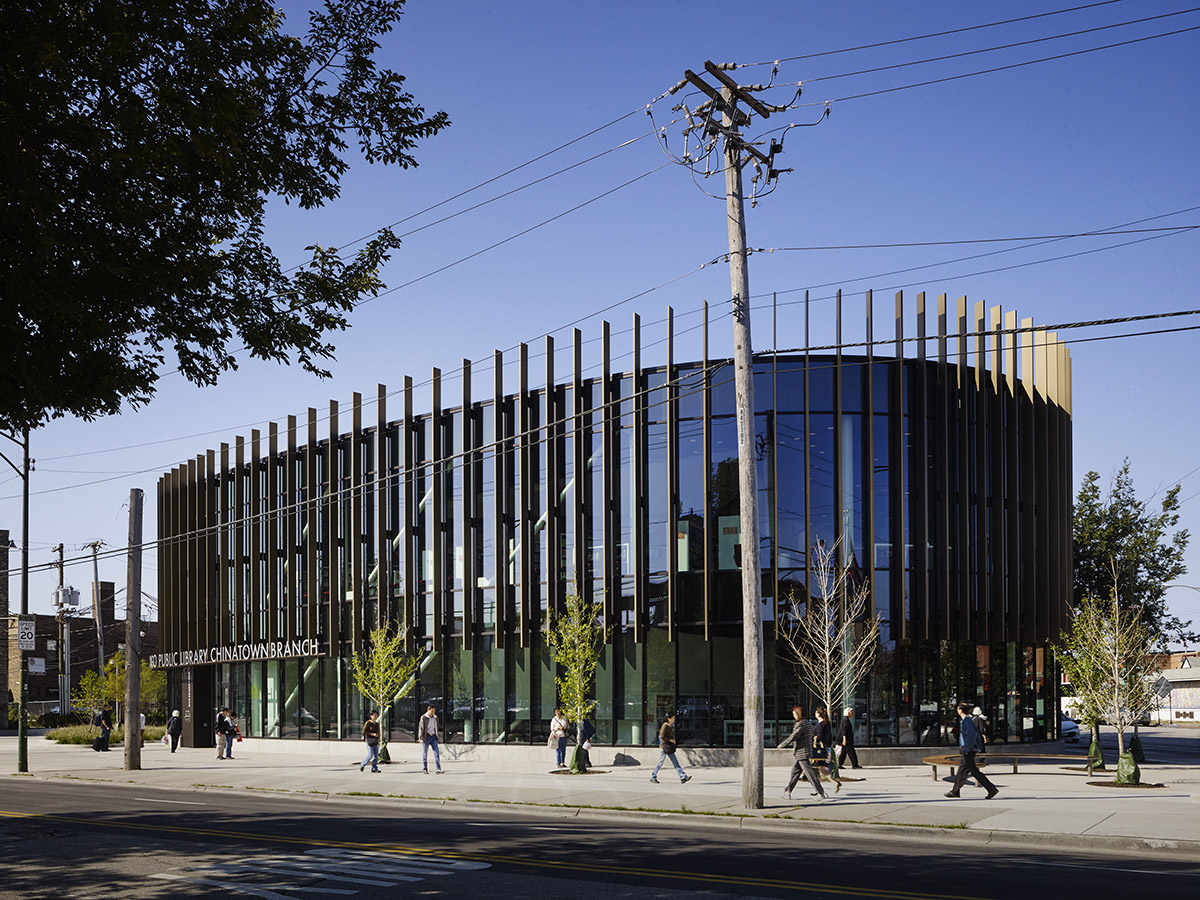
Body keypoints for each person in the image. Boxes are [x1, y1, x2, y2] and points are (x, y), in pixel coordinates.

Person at [945, 702, 999, 800]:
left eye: (958, 709)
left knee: (973, 771)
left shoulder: (967, 721)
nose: (957, 710)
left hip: (968, 750)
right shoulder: (966, 720)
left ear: (961, 710)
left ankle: (991, 788)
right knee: (962, 771)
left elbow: (970, 737)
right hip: (966, 749)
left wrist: (967, 749)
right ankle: (955, 791)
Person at [778, 705, 828, 802]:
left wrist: (782, 744)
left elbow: (794, 736)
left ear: (798, 714)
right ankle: (788, 791)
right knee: (794, 773)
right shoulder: (808, 723)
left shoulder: (800, 724)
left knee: (810, 774)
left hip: (802, 753)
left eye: (794, 714)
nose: (794, 716)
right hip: (805, 752)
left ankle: (821, 792)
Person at [649, 712, 691, 784]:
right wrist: (670, 740)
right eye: (673, 718)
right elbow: (662, 736)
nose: (674, 719)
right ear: (669, 718)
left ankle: (683, 777)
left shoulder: (669, 725)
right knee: (661, 763)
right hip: (665, 746)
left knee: (674, 763)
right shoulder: (665, 725)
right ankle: (653, 776)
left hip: (668, 746)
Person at [417, 704, 443, 774]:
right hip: (426, 737)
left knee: (436, 753)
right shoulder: (424, 717)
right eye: (431, 711)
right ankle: (425, 769)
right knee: (425, 754)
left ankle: (438, 769)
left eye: (434, 711)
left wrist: (437, 735)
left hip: (433, 736)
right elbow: (421, 728)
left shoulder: (435, 717)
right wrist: (421, 738)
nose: (433, 713)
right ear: (428, 710)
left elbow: (436, 727)